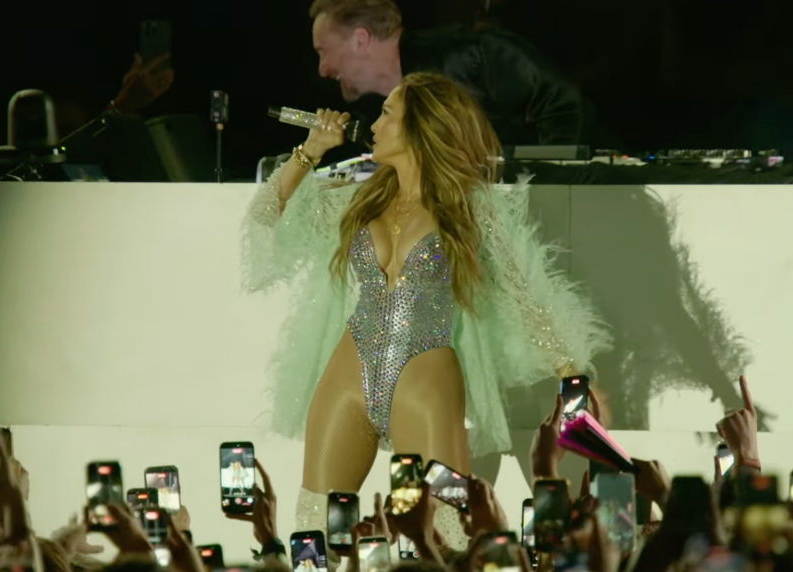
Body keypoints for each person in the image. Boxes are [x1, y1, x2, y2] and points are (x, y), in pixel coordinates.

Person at [241, 71, 609, 558]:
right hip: (349, 376)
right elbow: (267, 220)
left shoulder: (467, 208)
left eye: (387, 113)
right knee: (317, 533)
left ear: (418, 128)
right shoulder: (359, 198)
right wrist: (309, 152)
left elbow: (524, 291)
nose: (373, 124)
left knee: (445, 536)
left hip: (425, 379)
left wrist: (571, 373)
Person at [308, 0, 598, 146]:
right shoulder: (375, 118)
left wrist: (536, 184)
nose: (322, 70)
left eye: (323, 51)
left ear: (361, 40)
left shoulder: (473, 53)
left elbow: (565, 105)